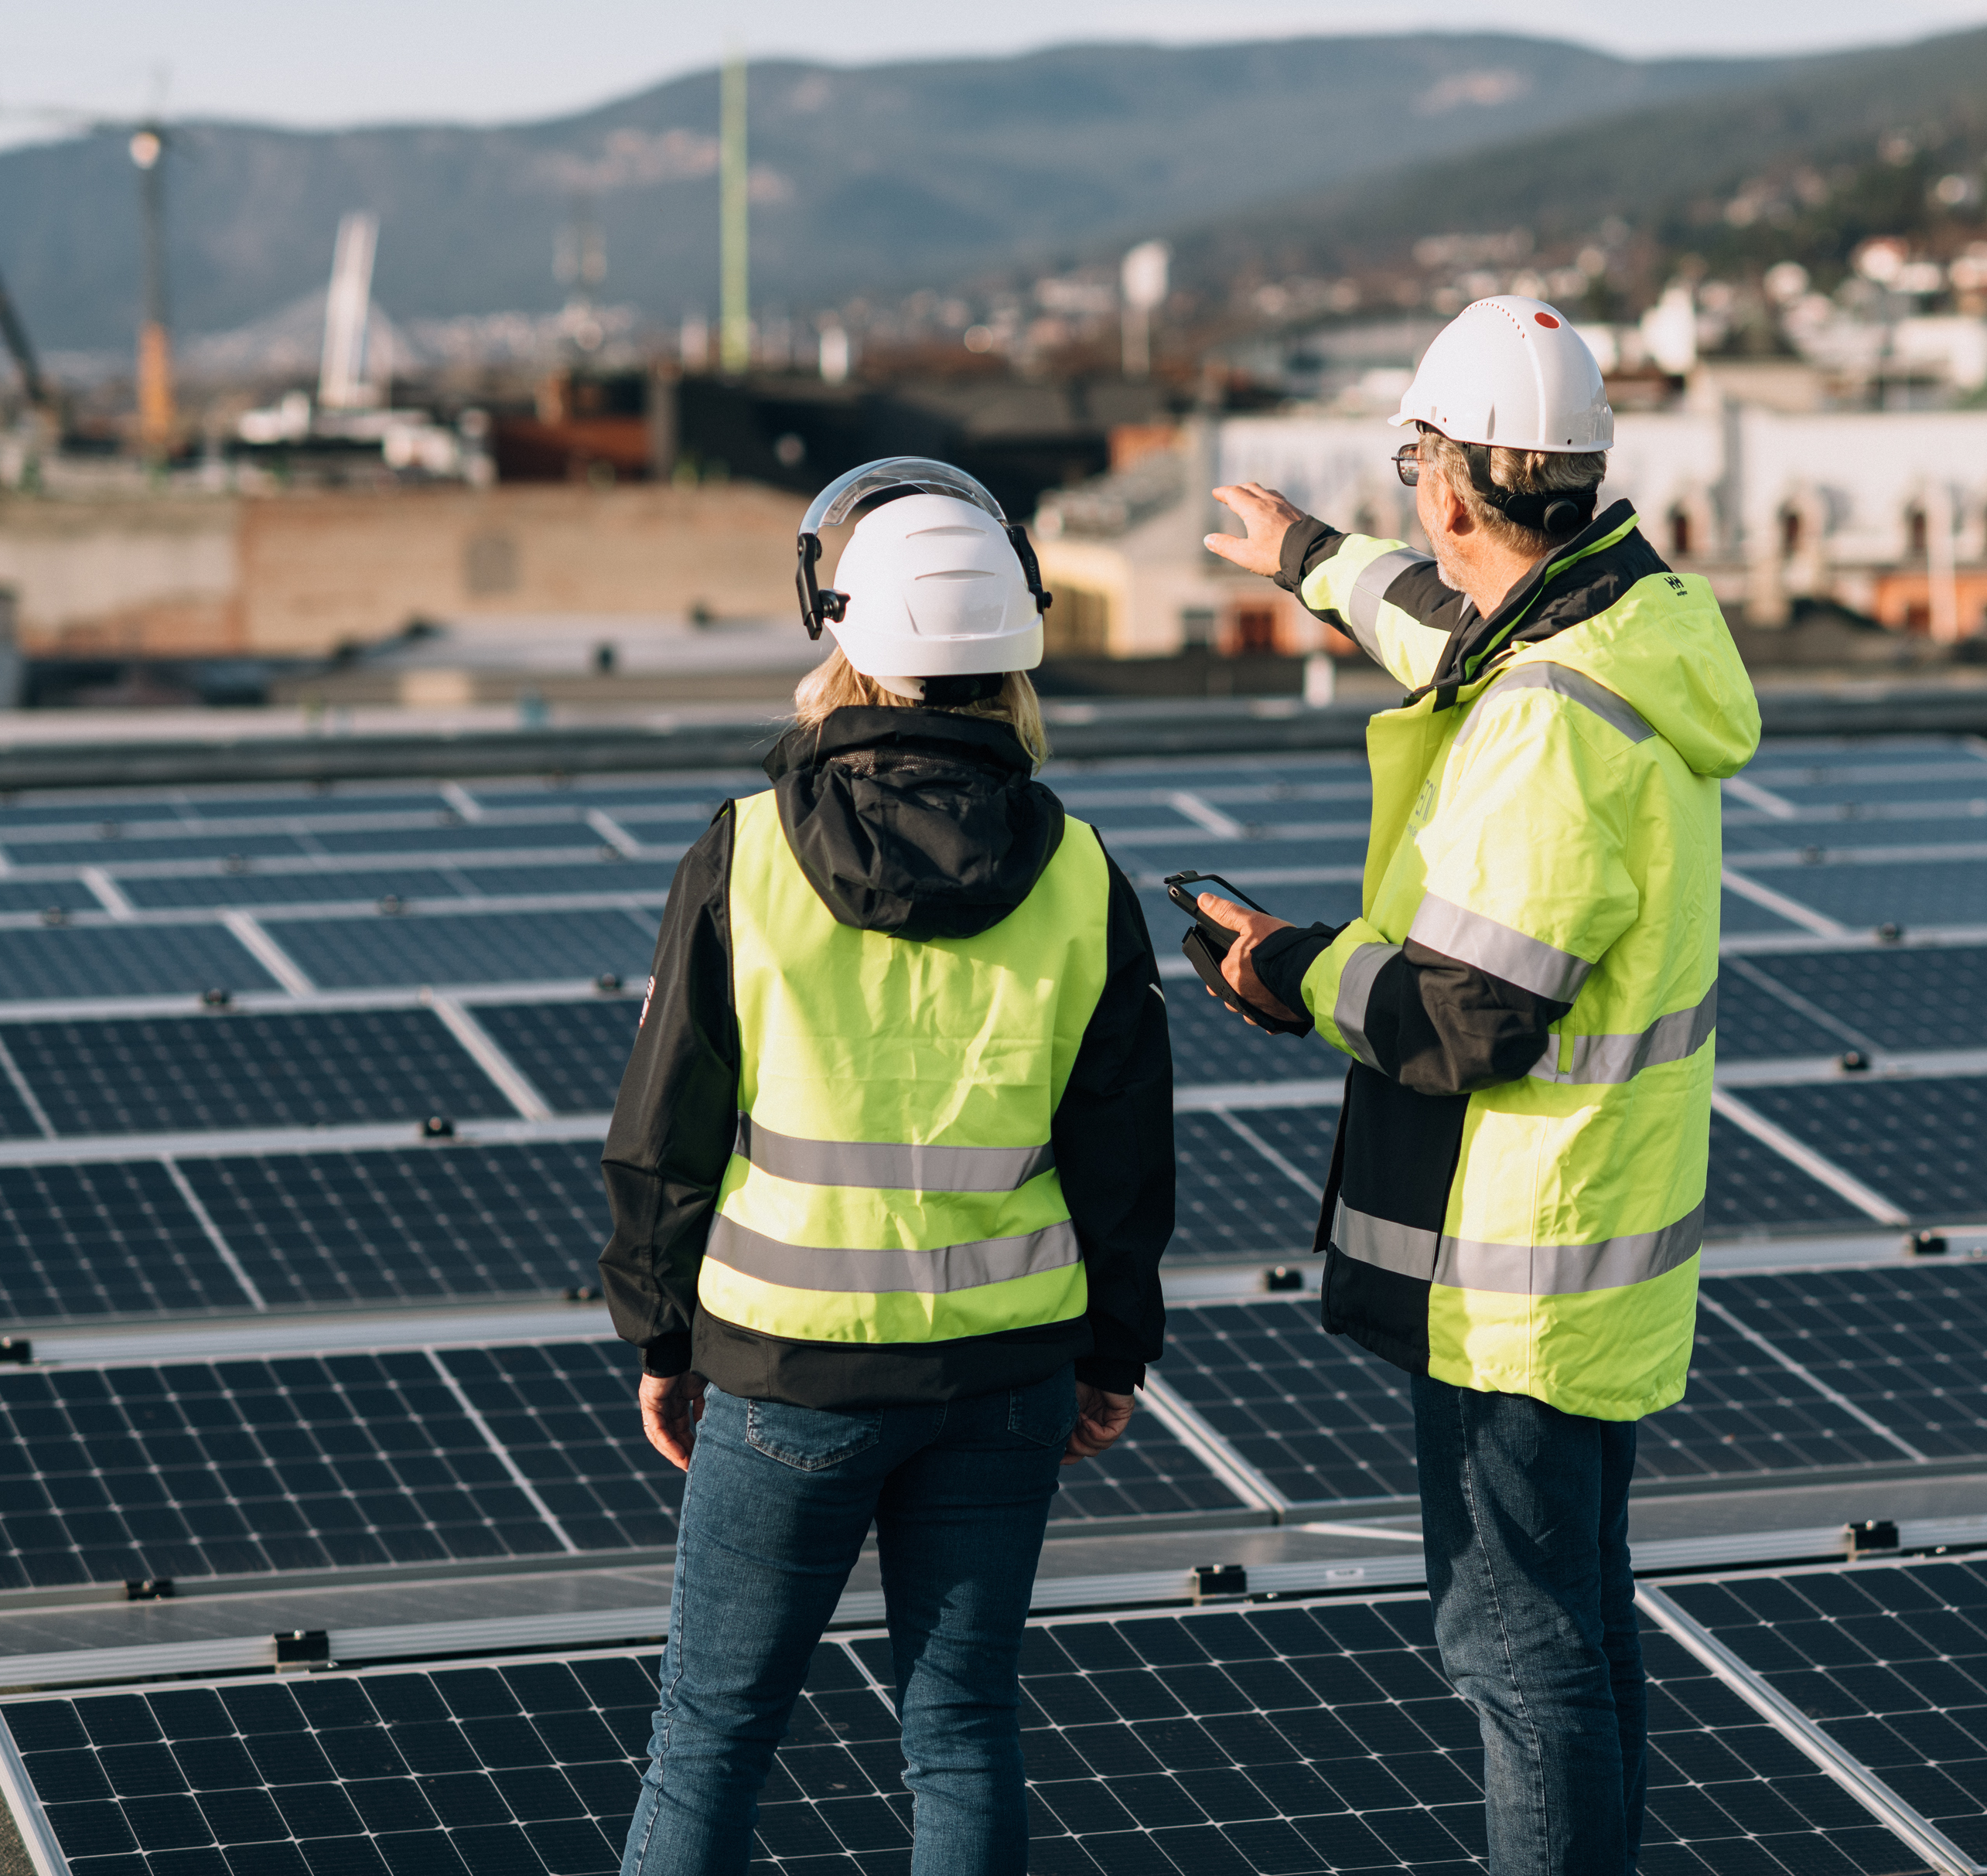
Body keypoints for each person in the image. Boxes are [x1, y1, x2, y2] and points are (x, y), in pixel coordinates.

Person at [1197, 296, 1760, 1875]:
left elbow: (1466, 1014)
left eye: (1407, 480)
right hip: (1597, 1241)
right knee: (1577, 1629)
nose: (1407, 514)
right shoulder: (1613, 636)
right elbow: (1439, 623)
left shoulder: (1544, 724)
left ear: (1449, 486)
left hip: (1517, 1263)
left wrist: (1286, 969)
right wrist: (1307, 555)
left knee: (1519, 1660)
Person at [599, 458, 1173, 1876]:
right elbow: (1124, 1155)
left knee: (710, 1739)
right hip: (1007, 1372)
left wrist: (661, 1335)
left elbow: (663, 1129)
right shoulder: (1083, 871)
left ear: (840, 633)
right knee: (965, 1729)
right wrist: (1113, 1354)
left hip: (789, 1368)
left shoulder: (744, 853)